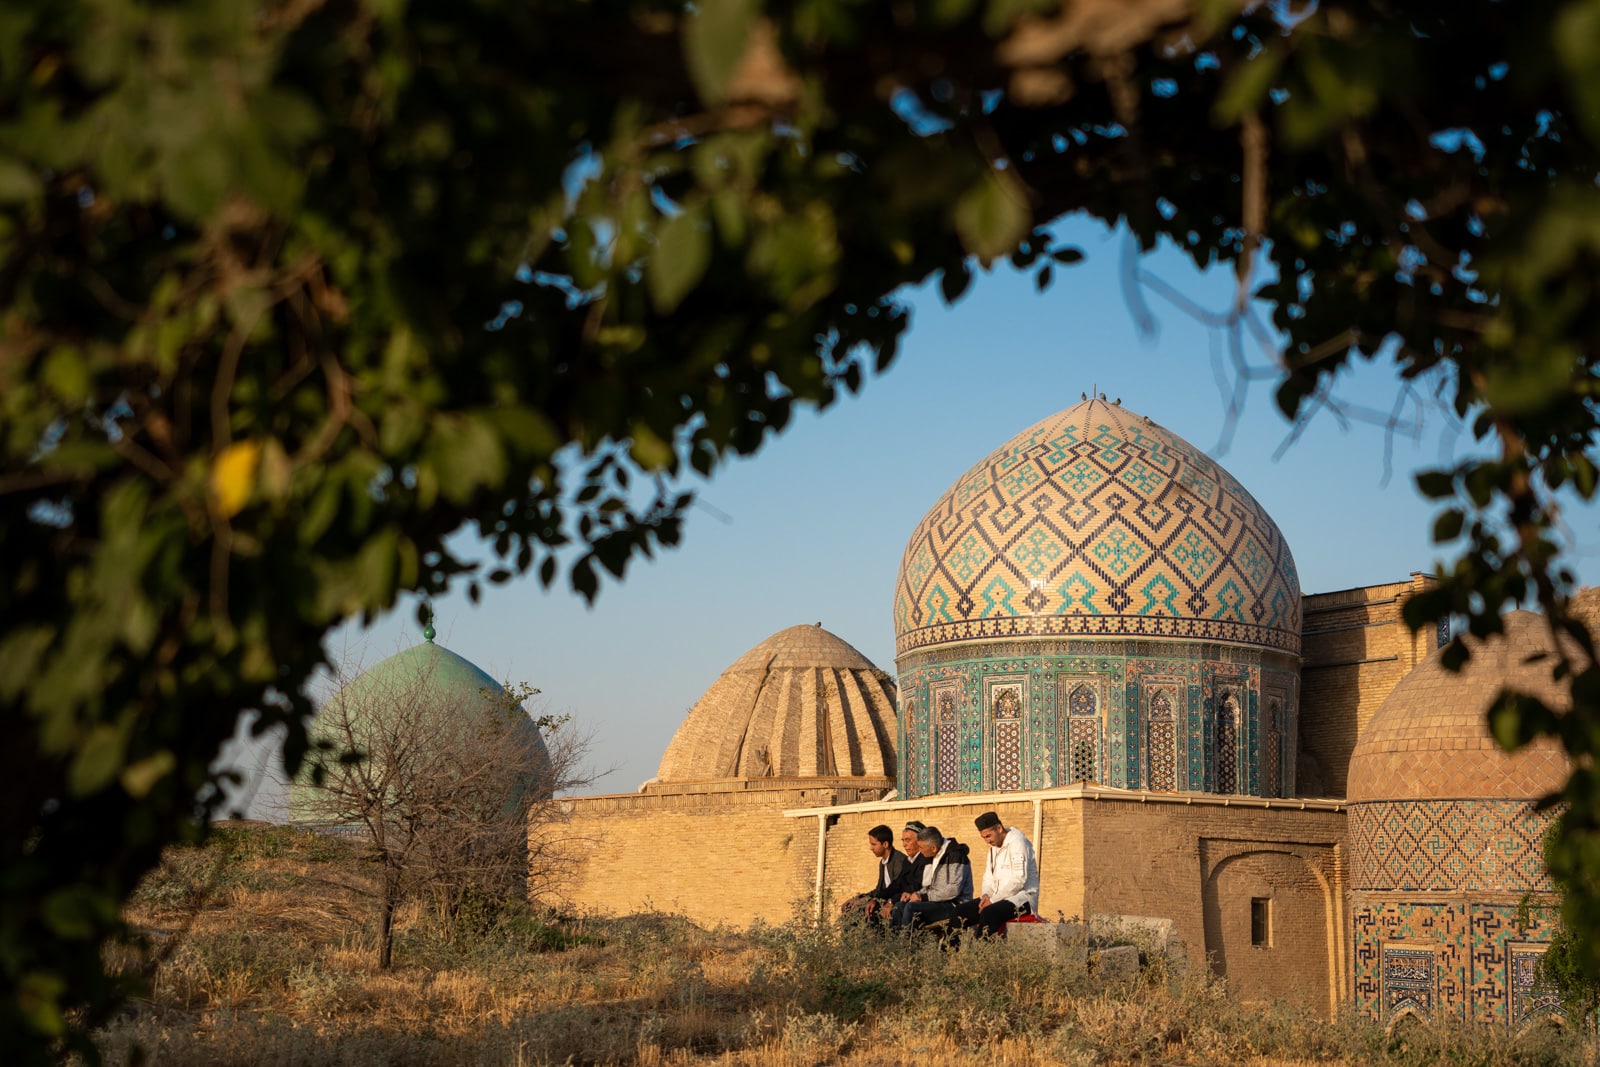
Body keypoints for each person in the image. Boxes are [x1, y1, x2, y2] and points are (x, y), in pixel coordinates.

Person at [952, 810, 1038, 939]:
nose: (987, 841)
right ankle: (950, 953)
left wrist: (992, 900)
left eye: (988, 836)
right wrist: (986, 895)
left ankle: (980, 955)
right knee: (960, 911)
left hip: (1022, 899)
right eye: (984, 837)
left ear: (999, 828)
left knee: (989, 913)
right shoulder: (993, 849)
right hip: (996, 898)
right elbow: (988, 877)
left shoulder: (1018, 843)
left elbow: (1019, 880)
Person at [890, 825, 972, 930]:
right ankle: (893, 943)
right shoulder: (929, 856)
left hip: (954, 904)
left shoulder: (956, 855)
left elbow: (954, 890)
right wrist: (916, 894)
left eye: (921, 847)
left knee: (911, 908)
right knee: (899, 906)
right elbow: (928, 886)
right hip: (935, 901)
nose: (919, 850)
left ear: (933, 848)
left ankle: (906, 943)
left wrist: (923, 897)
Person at [839, 824, 909, 920]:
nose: (871, 848)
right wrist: (858, 898)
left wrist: (879, 901)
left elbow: (898, 888)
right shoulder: (883, 863)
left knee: (864, 912)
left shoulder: (899, 861)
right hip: (884, 900)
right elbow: (879, 889)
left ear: (885, 844)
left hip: (896, 902)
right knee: (850, 908)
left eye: (874, 844)